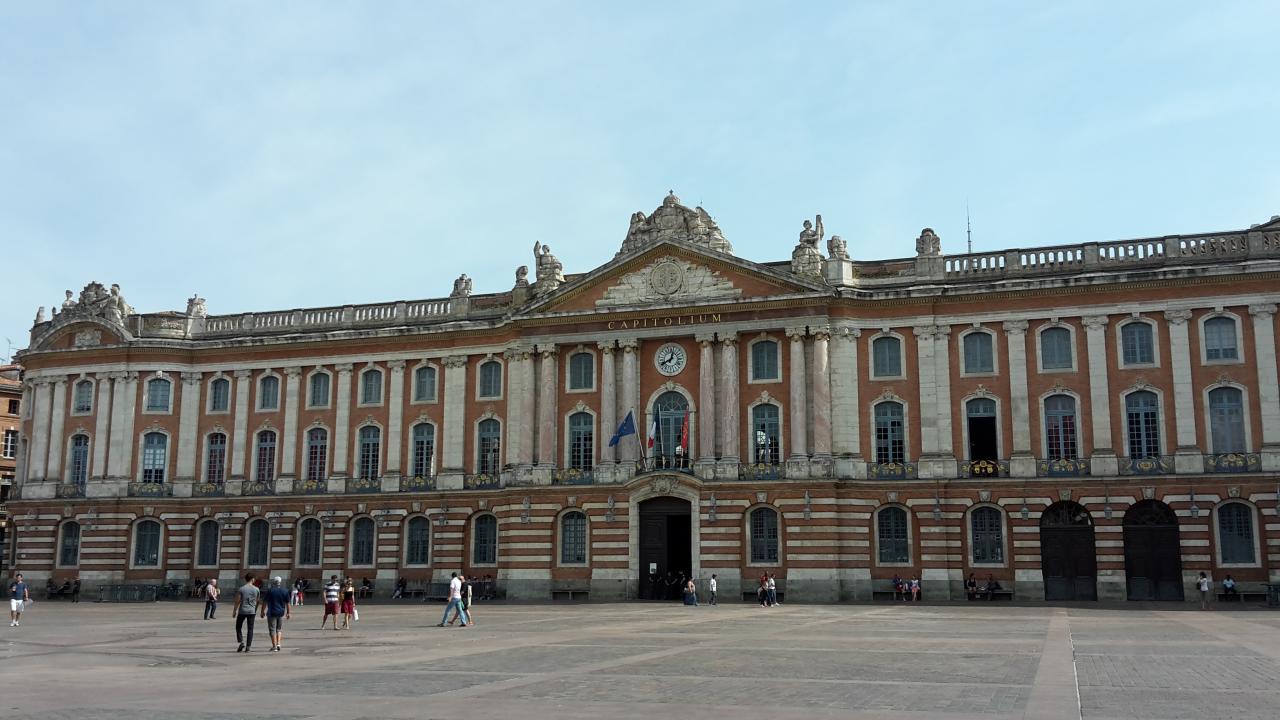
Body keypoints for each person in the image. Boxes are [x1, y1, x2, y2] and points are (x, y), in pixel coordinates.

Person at [259, 576, 291, 652]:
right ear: (280, 582)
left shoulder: (270, 591)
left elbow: (265, 602)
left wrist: (262, 611)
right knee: (278, 629)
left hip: (271, 612)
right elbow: (288, 603)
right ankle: (279, 644)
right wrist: (288, 613)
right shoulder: (285, 591)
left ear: (274, 582)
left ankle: (274, 646)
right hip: (281, 612)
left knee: (272, 629)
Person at [233, 572, 261, 653]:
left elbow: (237, 601)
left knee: (238, 627)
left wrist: (234, 611)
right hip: (251, 611)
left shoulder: (241, 589)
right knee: (250, 629)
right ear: (252, 579)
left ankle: (241, 642)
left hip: (242, 610)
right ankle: (248, 647)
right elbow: (258, 601)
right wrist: (255, 610)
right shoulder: (256, 589)